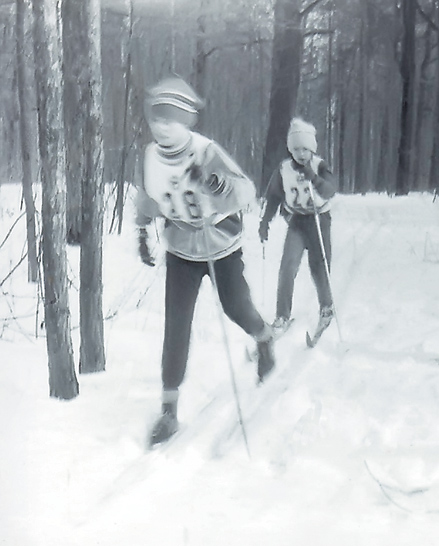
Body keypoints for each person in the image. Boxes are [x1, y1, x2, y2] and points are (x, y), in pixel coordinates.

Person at [135, 76, 276, 446]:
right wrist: (141, 229)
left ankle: (263, 338)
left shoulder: (205, 150)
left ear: (186, 121)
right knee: (176, 326)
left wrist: (213, 183)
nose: (162, 125)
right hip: (182, 248)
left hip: (220, 245)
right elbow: (150, 195)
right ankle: (169, 411)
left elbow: (245, 190)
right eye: (156, 118)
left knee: (236, 307)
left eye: (171, 118)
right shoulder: (151, 155)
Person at [258, 118, 337, 340]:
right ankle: (282, 315)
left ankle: (326, 306)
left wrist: (314, 178)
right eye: (296, 149)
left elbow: (331, 190)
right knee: (287, 267)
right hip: (297, 221)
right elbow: (273, 196)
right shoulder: (283, 169)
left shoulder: (319, 165)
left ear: (312, 148)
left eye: (305, 149)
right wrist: (265, 222)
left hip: (319, 220)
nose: (301, 154)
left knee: (319, 266)